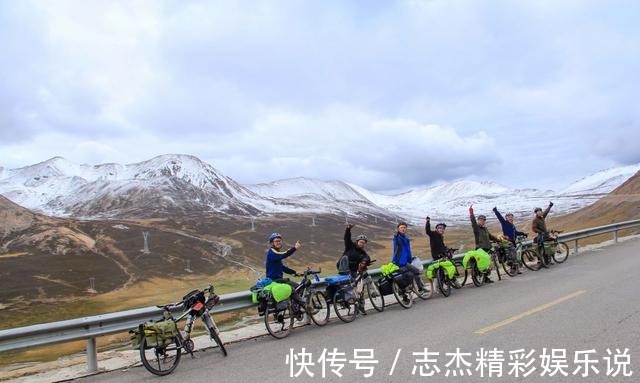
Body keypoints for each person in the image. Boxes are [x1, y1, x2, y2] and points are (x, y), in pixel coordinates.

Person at [265, 232, 306, 307]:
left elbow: (282, 267)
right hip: (275, 280)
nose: (279, 242)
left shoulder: (276, 253)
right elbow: (284, 254)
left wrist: (294, 273)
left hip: (276, 279)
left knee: (293, 287)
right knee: (298, 287)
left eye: (280, 241)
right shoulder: (272, 252)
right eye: (276, 241)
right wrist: (294, 248)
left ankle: (293, 306)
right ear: (272, 243)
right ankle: (305, 306)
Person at [341, 224, 371, 315]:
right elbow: (346, 238)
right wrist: (348, 229)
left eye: (363, 242)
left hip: (354, 271)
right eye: (360, 242)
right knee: (349, 288)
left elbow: (367, 258)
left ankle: (360, 307)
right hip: (345, 269)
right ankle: (349, 304)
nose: (362, 244)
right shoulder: (350, 246)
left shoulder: (363, 252)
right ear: (357, 241)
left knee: (359, 289)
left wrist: (364, 262)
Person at [392, 222, 426, 292]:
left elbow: (407, 251)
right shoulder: (397, 238)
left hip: (406, 260)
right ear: (398, 229)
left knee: (409, 274)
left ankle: (406, 291)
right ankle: (420, 288)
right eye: (401, 228)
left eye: (404, 227)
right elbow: (396, 240)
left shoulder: (406, 238)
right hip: (400, 261)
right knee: (416, 271)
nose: (403, 229)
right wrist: (396, 234)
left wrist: (410, 258)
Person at [493, 207, 527, 274]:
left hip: (513, 241)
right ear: (506, 218)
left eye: (511, 217)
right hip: (507, 242)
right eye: (509, 217)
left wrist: (523, 233)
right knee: (512, 256)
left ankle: (516, 269)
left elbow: (516, 232)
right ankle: (512, 269)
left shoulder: (512, 225)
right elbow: (500, 218)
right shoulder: (504, 223)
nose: (511, 218)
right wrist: (496, 211)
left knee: (514, 256)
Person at [469, 205, 499, 283]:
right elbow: (473, 221)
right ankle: (479, 276)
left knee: (487, 264)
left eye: (483, 220)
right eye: (481, 220)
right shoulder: (476, 228)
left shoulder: (485, 229)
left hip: (487, 248)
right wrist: (471, 212)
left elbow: (490, 236)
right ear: (478, 220)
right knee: (482, 264)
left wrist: (498, 240)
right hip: (480, 248)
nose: (482, 221)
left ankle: (485, 278)